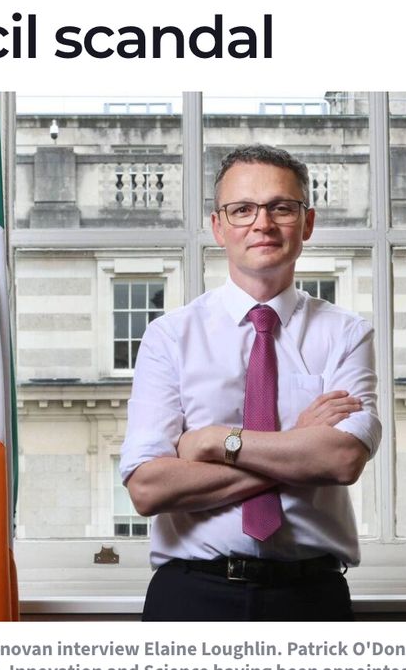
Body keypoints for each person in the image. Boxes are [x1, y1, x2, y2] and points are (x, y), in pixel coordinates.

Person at [120, 144, 381, 620]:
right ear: (219, 227)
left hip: (310, 599)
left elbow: (341, 459)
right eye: (242, 209)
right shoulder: (169, 337)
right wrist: (298, 445)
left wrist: (214, 441)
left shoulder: (346, 333)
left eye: (281, 207)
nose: (262, 223)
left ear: (307, 223)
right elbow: (148, 489)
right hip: (190, 596)